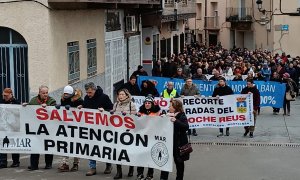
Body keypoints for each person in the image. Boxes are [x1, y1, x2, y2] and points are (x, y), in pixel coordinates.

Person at [79, 82, 113, 176]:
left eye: (90, 92)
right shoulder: (86, 98)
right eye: (87, 92)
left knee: (105, 147)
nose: (88, 94)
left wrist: (104, 111)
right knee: (91, 147)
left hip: (103, 128)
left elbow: (111, 110)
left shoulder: (104, 97)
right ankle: (92, 167)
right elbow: (86, 108)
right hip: (91, 128)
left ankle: (108, 165)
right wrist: (82, 107)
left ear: (94, 90)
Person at [25, 85, 56, 170]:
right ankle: (34, 165)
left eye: (46, 93)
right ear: (39, 93)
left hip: (48, 128)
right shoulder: (34, 100)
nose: (45, 94)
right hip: (36, 128)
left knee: (48, 145)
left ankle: (48, 164)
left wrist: (48, 108)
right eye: (43, 93)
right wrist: (25, 106)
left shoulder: (51, 101)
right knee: (35, 145)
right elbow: (29, 110)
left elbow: (55, 111)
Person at [110, 89, 137, 179]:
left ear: (126, 95)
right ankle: (119, 172)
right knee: (118, 152)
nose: (120, 96)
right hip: (118, 132)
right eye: (119, 94)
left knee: (129, 152)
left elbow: (135, 118)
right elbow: (112, 114)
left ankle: (131, 168)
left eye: (122, 94)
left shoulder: (131, 105)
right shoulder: (116, 104)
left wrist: (127, 116)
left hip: (128, 132)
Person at [160, 99, 190, 180]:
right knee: (165, 162)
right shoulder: (167, 115)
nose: (168, 107)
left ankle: (179, 178)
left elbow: (186, 127)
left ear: (175, 107)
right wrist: (161, 119)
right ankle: (163, 178)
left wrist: (176, 121)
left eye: (170, 106)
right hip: (168, 143)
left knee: (179, 163)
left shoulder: (182, 115)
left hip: (178, 144)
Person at [57, 85, 83, 172]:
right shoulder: (63, 99)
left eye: (68, 94)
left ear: (72, 94)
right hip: (66, 125)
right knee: (65, 144)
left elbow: (83, 111)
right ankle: (65, 164)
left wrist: (75, 109)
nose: (66, 95)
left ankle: (76, 164)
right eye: (65, 94)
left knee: (76, 145)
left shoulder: (79, 100)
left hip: (76, 126)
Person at [136, 96, 161, 180]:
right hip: (142, 138)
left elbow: (160, 123)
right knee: (141, 156)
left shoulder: (157, 112)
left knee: (150, 156)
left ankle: (150, 175)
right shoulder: (140, 112)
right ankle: (140, 174)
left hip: (152, 137)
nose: (147, 104)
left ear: (152, 104)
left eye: (149, 103)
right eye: (146, 103)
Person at [0, 88, 20, 168]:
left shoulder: (16, 102)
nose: (5, 97)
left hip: (13, 127)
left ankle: (16, 162)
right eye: (4, 95)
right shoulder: (1, 102)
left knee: (14, 144)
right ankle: (3, 162)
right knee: (2, 144)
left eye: (6, 96)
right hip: (3, 127)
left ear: (11, 95)